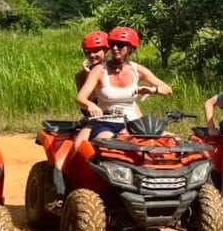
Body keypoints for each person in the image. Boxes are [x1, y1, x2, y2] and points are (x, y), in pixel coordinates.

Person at [75, 27, 174, 140]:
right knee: (108, 143)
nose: (115, 48)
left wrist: (153, 90)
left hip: (132, 123)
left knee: (171, 141)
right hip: (105, 122)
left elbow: (168, 90)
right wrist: (90, 105)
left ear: (131, 48)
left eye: (120, 45)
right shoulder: (98, 70)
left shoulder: (138, 70)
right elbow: (80, 98)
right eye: (112, 44)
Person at [67, 30, 110, 161]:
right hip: (95, 120)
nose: (92, 55)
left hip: (121, 118)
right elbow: (85, 107)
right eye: (88, 52)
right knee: (79, 150)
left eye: (96, 51)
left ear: (106, 51)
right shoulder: (81, 76)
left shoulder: (117, 72)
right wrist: (88, 77)